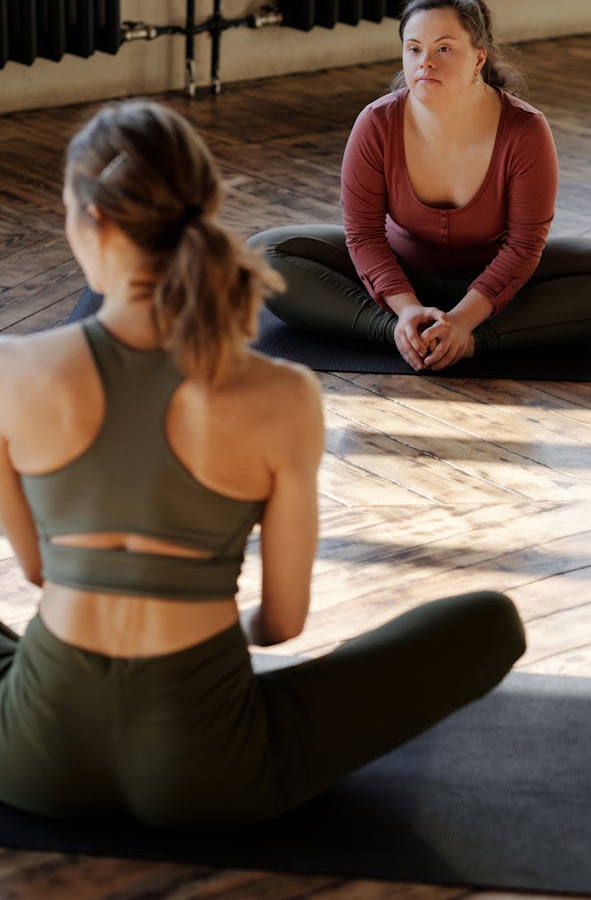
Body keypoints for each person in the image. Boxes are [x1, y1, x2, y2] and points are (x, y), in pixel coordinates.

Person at [0, 99, 525, 829]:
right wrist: (216, 636)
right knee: (490, 622)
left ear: (92, 221)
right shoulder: (283, 394)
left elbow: (37, 572)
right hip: (210, 769)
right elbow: (281, 623)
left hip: (30, 756)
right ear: (202, 210)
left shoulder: (9, 370)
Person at [248, 0, 591, 372]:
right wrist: (406, 310)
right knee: (262, 254)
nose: (425, 62)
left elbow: (524, 245)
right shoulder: (377, 122)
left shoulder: (524, 129)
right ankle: (401, 333)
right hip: (401, 275)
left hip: (500, 286)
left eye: (444, 48)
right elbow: (362, 235)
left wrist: (466, 323)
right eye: (413, 49)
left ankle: (471, 340)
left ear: (478, 58)